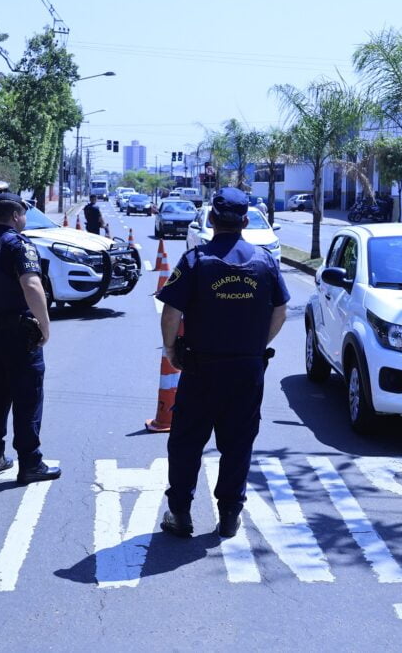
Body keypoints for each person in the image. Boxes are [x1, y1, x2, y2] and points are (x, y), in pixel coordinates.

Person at [155, 187, 290, 539]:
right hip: (247, 369)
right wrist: (257, 345)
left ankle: (180, 514)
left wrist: (170, 349)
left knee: (186, 441)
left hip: (201, 368)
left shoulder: (195, 260)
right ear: (245, 222)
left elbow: (171, 312)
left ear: (212, 220)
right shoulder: (265, 261)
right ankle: (230, 514)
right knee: (238, 443)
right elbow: (280, 311)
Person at [0, 195, 61, 484]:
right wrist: (45, 325)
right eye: (24, 215)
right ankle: (30, 462)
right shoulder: (18, 245)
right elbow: (31, 285)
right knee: (27, 398)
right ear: (16, 216)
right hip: (20, 334)